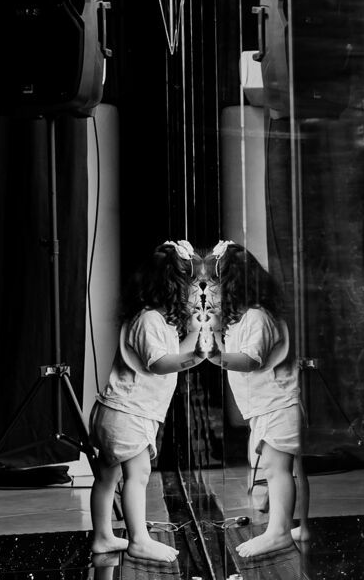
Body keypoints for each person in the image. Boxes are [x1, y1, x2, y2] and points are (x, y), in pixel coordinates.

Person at [86, 241, 205, 562]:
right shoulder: (149, 321)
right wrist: (194, 357)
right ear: (175, 290)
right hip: (128, 414)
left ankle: (102, 537)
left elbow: (170, 352)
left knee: (107, 476)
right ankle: (138, 539)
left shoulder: (153, 320)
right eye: (193, 288)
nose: (197, 295)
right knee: (137, 475)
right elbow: (160, 363)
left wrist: (195, 331)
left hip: (114, 411)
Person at [209, 241, 309, 559]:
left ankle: (278, 532)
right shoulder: (249, 316)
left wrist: (216, 355)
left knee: (279, 471)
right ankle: (300, 526)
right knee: (291, 471)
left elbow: (251, 359)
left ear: (231, 285)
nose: (211, 293)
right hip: (274, 405)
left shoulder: (257, 317)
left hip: (277, 406)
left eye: (215, 285)